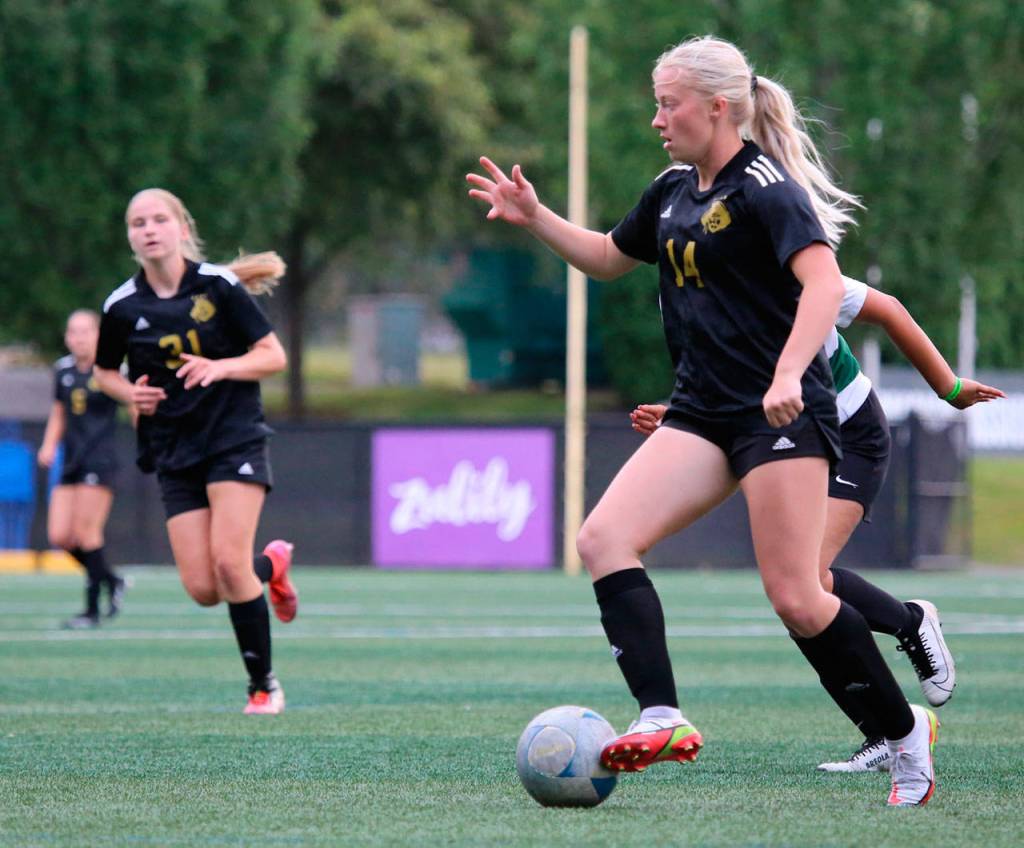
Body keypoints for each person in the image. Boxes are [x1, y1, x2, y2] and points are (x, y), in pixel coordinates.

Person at [470, 35, 938, 805]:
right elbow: (609, 258)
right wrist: (535, 216)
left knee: (796, 594)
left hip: (779, 417)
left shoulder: (767, 189)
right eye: (657, 102)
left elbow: (823, 286)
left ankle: (903, 734)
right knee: (603, 538)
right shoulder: (672, 190)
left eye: (668, 102)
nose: (658, 118)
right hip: (703, 411)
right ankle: (661, 714)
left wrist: (790, 372)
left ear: (717, 107)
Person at [629, 275, 1005, 772]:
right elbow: (728, 379)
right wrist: (681, 417)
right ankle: (882, 730)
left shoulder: (790, 263)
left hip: (851, 434)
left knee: (804, 583)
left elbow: (889, 308)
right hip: (788, 439)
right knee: (798, 598)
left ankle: (910, 628)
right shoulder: (683, 286)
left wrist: (949, 387)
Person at [93, 188, 298, 715]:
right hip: (172, 448)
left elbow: (272, 355)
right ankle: (270, 567)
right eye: (138, 222)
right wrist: (127, 393)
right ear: (130, 237)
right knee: (205, 588)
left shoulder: (219, 286)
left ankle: (262, 686)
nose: (149, 228)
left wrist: (220, 367)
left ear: (182, 227)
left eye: (159, 219)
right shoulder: (121, 306)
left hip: (233, 437)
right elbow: (101, 373)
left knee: (230, 567)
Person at [37, 309, 129, 629]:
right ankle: (112, 580)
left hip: (100, 460)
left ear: (98, 335)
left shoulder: (111, 370)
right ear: (66, 337)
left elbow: (134, 404)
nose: (78, 338)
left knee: (87, 533)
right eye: (73, 332)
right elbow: (59, 411)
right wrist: (49, 445)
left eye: (85, 331)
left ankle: (91, 611)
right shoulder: (62, 370)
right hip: (72, 460)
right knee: (60, 535)